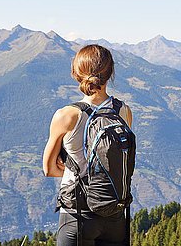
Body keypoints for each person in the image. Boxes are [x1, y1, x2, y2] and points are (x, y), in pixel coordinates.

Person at [43, 44, 133, 246]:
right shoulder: (123, 111)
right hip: (114, 213)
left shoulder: (66, 115)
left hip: (78, 215)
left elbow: (48, 169)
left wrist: (73, 172)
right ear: (110, 73)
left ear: (76, 73)